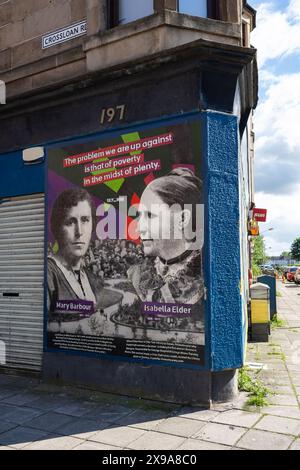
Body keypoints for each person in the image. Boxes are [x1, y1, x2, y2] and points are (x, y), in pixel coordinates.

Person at [127, 168, 204, 305]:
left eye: (150, 215)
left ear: (182, 218)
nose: (140, 227)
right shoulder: (136, 273)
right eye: (140, 216)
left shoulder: (204, 273)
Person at [47, 188, 103, 316]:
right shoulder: (49, 274)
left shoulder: (91, 278)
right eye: (70, 222)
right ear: (57, 228)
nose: (79, 232)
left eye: (85, 220)